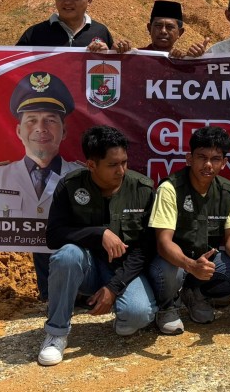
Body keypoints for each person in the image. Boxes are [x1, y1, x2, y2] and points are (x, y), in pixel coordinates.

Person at [37, 125, 158, 366]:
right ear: (91, 165)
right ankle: (56, 334)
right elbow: (54, 237)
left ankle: (121, 313)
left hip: (124, 271)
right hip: (87, 268)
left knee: (137, 315)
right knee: (67, 255)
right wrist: (98, 233)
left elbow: (146, 248)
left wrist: (113, 288)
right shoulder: (70, 186)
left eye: (124, 162)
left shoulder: (142, 189)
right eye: (113, 165)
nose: (121, 170)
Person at [0, 72, 82, 301]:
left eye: (50, 120)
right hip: (12, 290)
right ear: (18, 131)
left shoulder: (81, 177)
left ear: (64, 132)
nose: (41, 128)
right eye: (31, 120)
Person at [147, 126, 230, 335]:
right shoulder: (170, 188)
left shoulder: (228, 190)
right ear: (189, 158)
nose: (207, 165)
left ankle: (195, 293)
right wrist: (190, 265)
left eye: (215, 159)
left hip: (203, 262)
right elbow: (163, 243)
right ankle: (167, 306)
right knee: (168, 270)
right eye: (201, 157)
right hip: (172, 262)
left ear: (224, 163)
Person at [18, 0, 121, 49]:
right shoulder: (34, 34)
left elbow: (114, 71)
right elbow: (13, 69)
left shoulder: (100, 32)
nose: (67, 2)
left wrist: (114, 54)